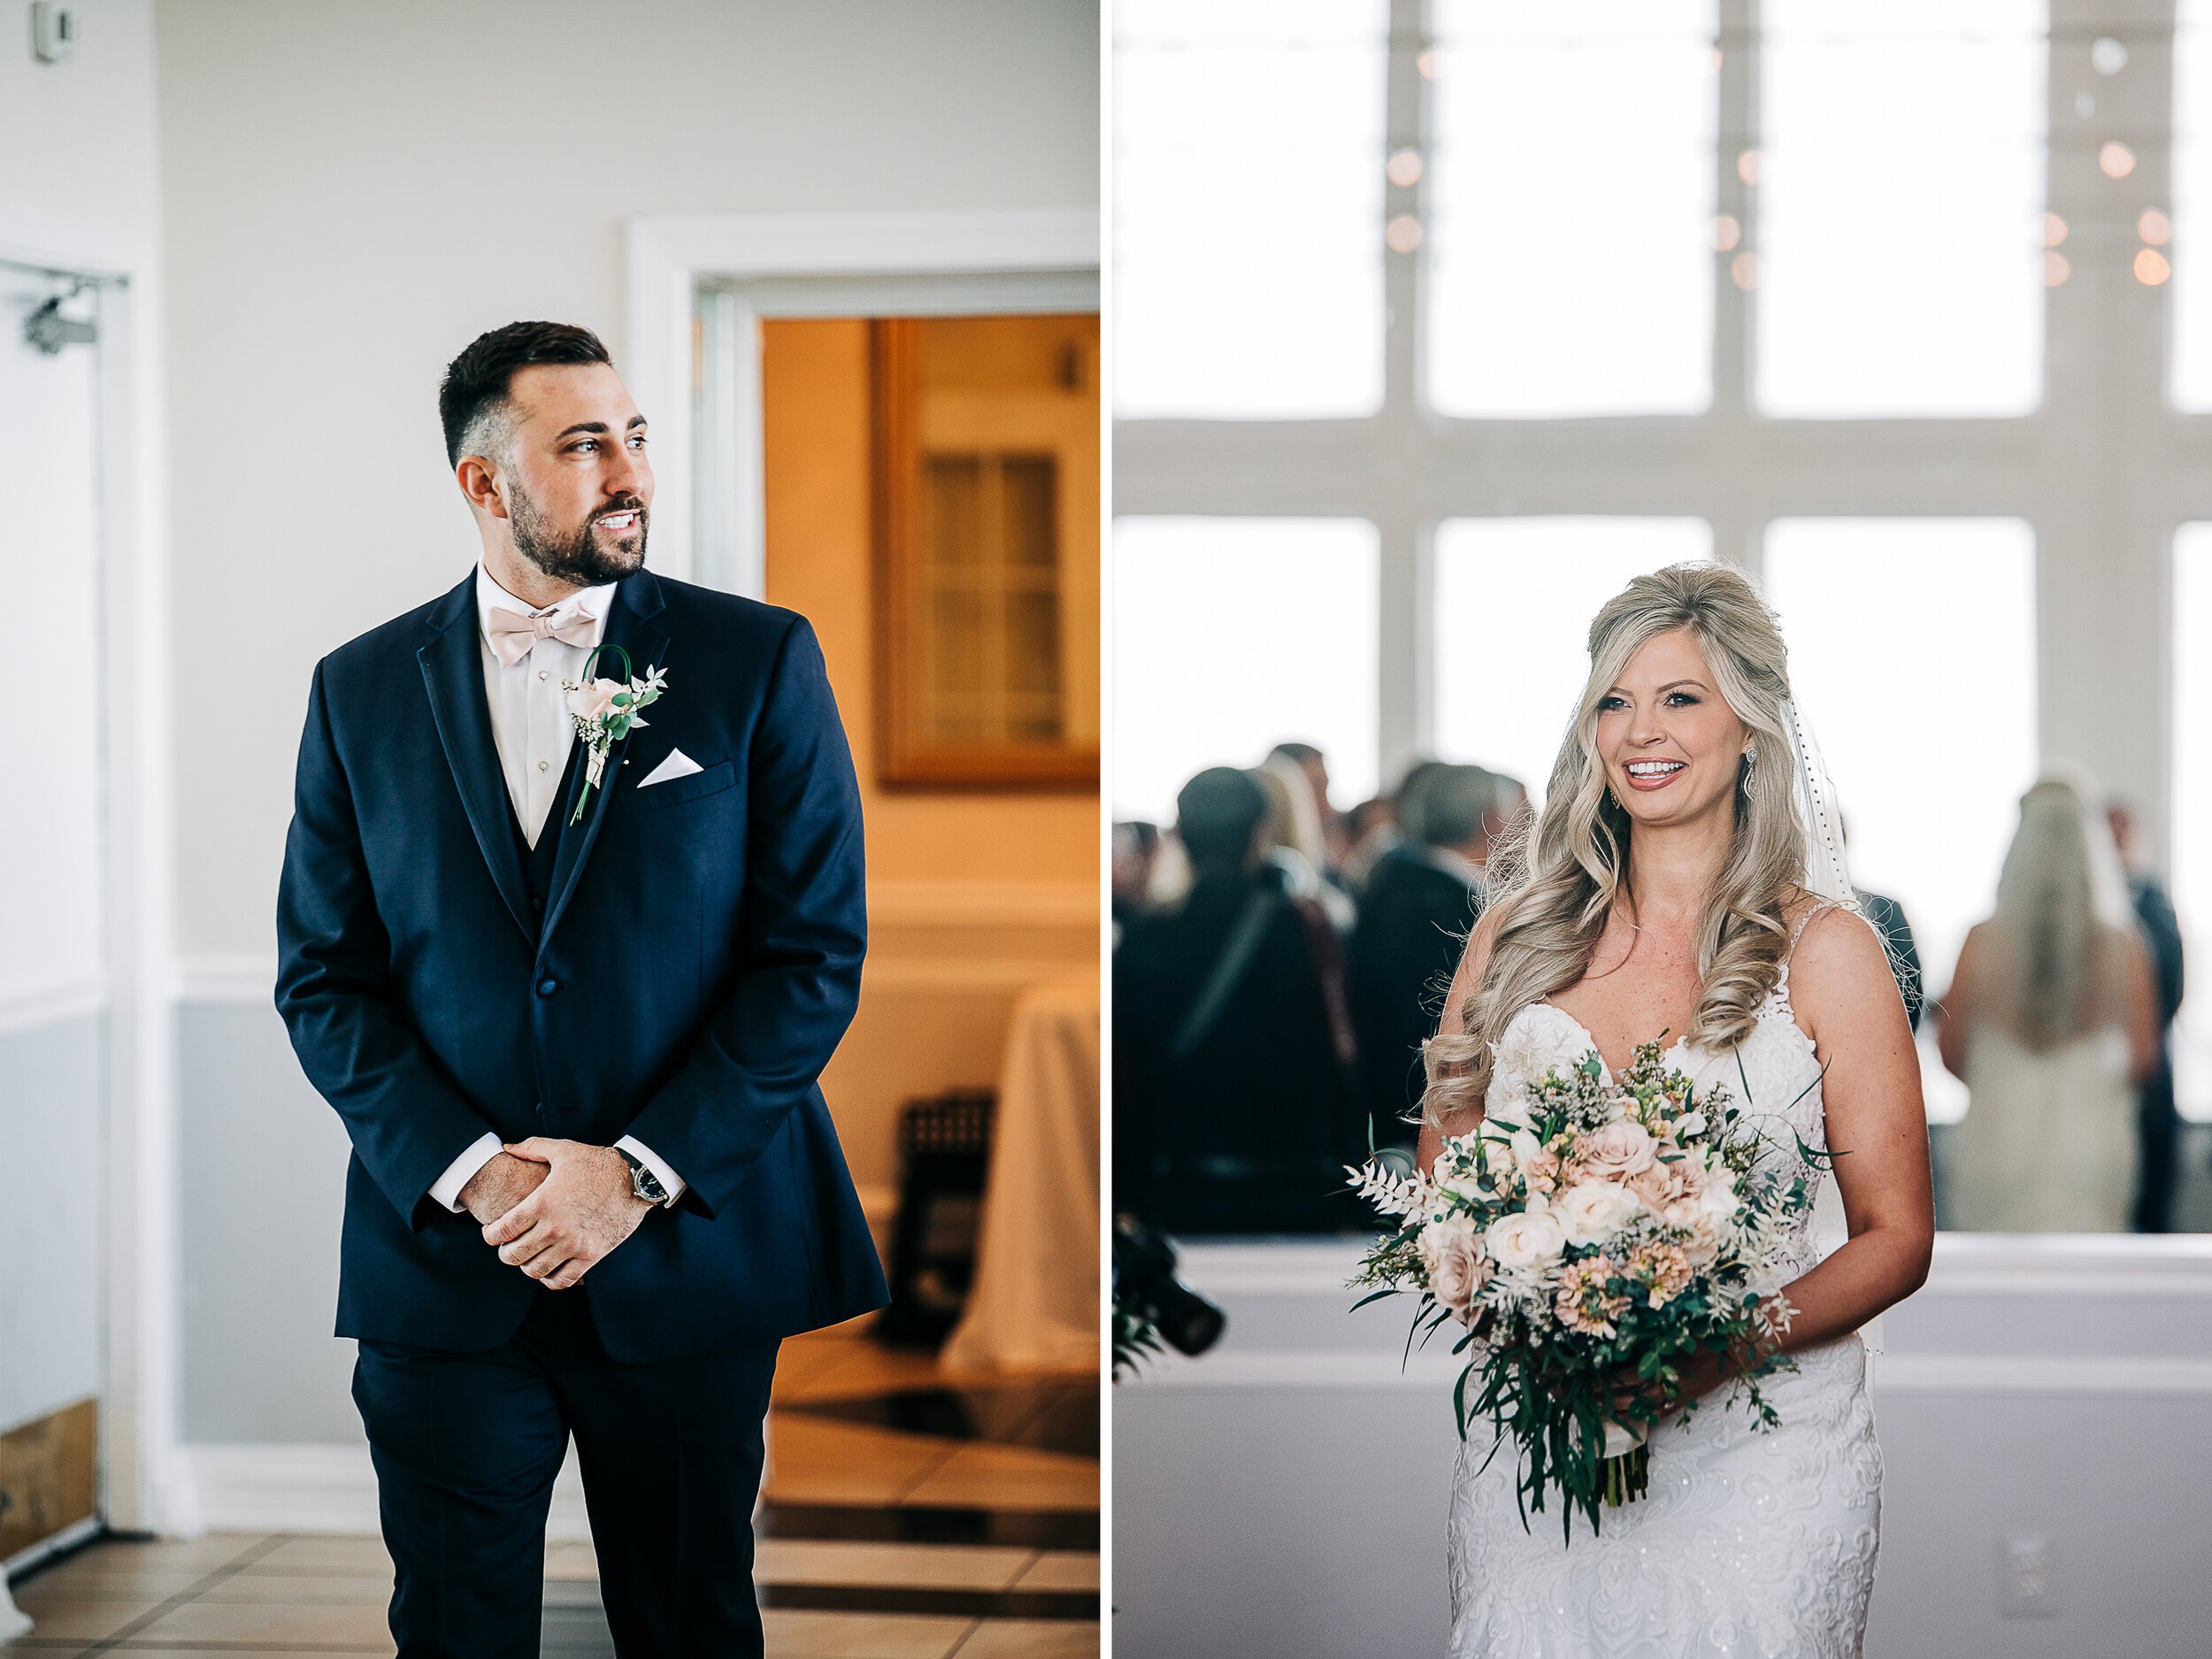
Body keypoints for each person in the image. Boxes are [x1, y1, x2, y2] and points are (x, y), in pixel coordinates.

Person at [275, 321, 886, 1658]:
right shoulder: (358, 689)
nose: (630, 473)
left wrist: (637, 1171)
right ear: (485, 485)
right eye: (584, 443)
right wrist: (475, 1171)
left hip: (685, 1250)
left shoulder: (756, 659)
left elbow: (812, 957)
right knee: (452, 1623)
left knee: (687, 1620)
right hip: (449, 1259)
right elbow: (325, 976)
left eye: (636, 434)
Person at [1419, 565, 1931, 1655]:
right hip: (1541, 1441)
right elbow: (1446, 1195)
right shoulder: (1513, 939)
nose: (1638, 730)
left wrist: (1712, 1353)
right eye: (1614, 700)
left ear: (1751, 726)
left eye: (1679, 697)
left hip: (1766, 1459)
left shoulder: (1828, 955)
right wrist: (1542, 1336)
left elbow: (1897, 1239)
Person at [1114, 767, 1360, 1234]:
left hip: (1179, 1192)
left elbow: (1128, 1087)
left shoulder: (1143, 942)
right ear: (1260, 834)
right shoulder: (1309, 933)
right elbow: (1339, 1062)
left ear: (1180, 837)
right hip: (1298, 1190)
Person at [1936, 778, 2159, 1232]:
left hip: (1998, 1134)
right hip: (2089, 1143)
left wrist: (2006, 1073)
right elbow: (2142, 1059)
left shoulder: (1980, 942)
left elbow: (1951, 1051)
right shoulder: (2124, 947)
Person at [1348, 764, 1517, 1153]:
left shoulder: (1394, 886)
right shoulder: (1451, 911)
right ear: (1490, 821)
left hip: (1393, 1116)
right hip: (1421, 1127)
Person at [2110, 800, 2187, 1232]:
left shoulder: (2154, 901)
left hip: (2148, 1074)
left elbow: (2171, 988)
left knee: (2151, 1206)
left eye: (2122, 832)